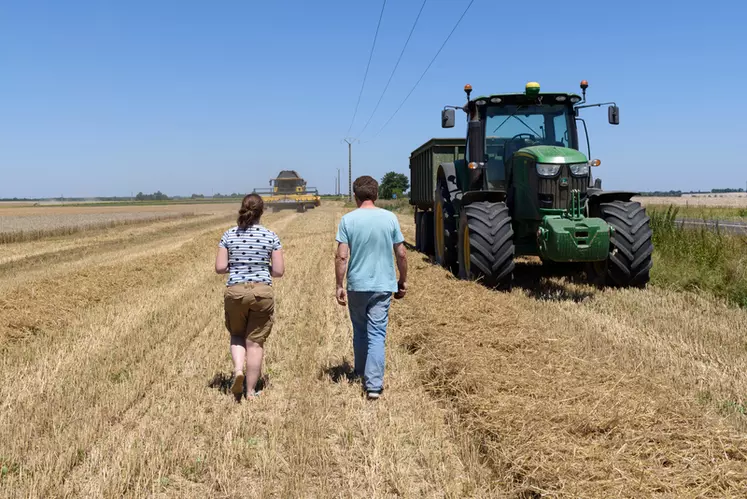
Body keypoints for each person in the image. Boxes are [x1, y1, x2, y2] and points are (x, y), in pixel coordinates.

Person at [335, 176, 407, 400]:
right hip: (383, 285)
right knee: (377, 333)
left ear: (356, 196)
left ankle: (359, 372)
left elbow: (341, 256)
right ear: (375, 195)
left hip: (357, 285)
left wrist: (339, 284)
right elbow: (402, 253)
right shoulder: (390, 218)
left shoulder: (348, 220)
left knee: (359, 330)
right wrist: (402, 280)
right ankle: (374, 385)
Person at [215, 194, 284, 398]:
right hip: (262, 291)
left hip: (235, 290)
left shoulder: (229, 235)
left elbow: (220, 268)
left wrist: (236, 266)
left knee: (237, 335)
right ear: (262, 212)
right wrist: (261, 268)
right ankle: (251, 391)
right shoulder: (270, 236)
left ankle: (238, 371)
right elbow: (279, 271)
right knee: (254, 342)